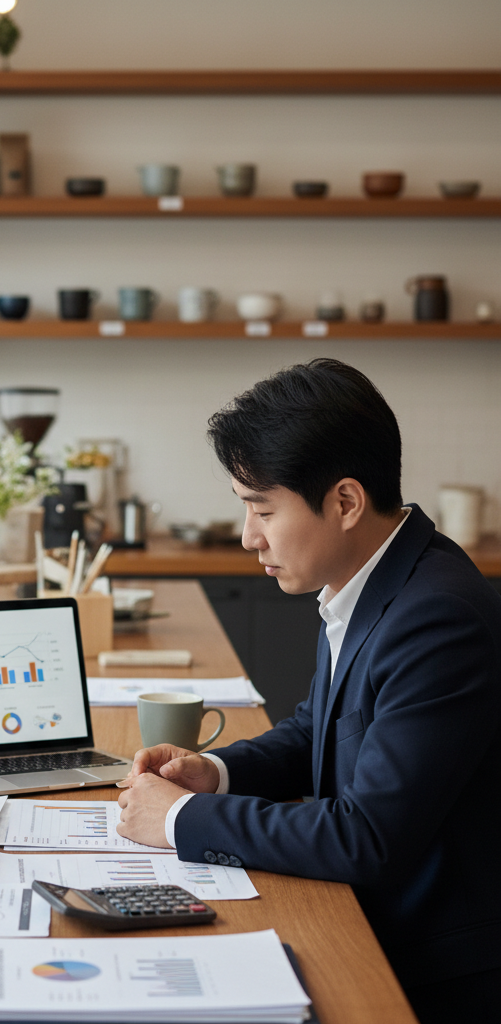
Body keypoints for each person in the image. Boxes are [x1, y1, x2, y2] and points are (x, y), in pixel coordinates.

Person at [116, 358, 500, 1023]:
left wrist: (176, 820)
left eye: (262, 509)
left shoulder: (437, 616)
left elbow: (369, 837)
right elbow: (318, 729)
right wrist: (214, 772)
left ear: (345, 502)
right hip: (370, 921)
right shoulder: (372, 581)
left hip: (432, 972)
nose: (248, 537)